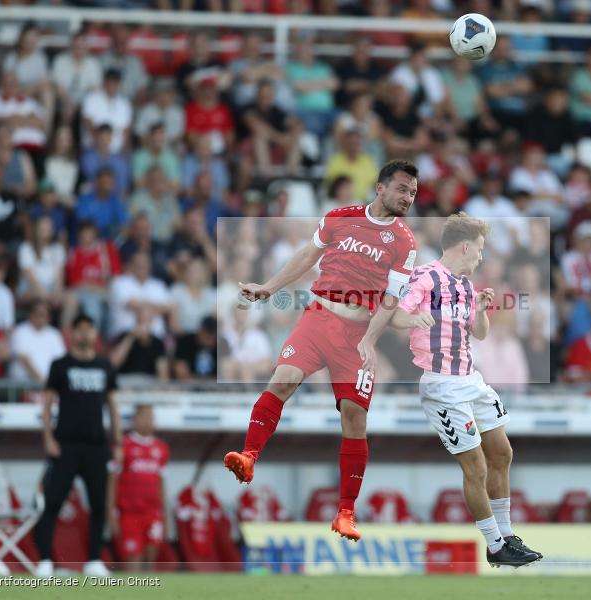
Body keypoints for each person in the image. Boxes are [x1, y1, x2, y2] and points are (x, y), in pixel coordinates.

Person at [223, 161, 419, 542]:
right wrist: (269, 286)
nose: (407, 197)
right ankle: (248, 457)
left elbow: (392, 300)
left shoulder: (405, 242)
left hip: (358, 330)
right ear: (380, 188)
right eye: (401, 189)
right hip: (318, 317)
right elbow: (306, 256)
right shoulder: (340, 217)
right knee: (283, 380)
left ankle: (346, 512)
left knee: (354, 419)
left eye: (412, 192)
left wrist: (369, 340)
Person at [386, 213, 543, 568]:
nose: (482, 258)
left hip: (471, 379)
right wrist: (414, 318)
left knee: (502, 453)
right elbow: (394, 315)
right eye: (480, 250)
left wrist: (484, 310)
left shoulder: (465, 287)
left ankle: (507, 534)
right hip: (442, 385)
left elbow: (480, 333)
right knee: (476, 468)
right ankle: (495, 545)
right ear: (465, 247)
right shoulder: (426, 277)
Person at [34, 314, 121, 578]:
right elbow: (47, 404)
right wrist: (48, 438)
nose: (84, 334)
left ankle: (94, 560)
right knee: (52, 503)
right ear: (72, 334)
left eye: (89, 329)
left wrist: (117, 441)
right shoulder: (60, 365)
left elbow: (114, 407)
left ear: (96, 334)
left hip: (96, 445)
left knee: (98, 504)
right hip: (65, 445)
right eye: (80, 330)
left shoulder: (105, 366)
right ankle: (45, 560)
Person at [107, 404, 169, 572]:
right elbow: (112, 482)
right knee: (133, 559)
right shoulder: (123, 447)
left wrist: (165, 515)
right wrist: (110, 513)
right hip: (129, 513)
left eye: (151, 417)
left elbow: (162, 484)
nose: (149, 421)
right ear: (135, 419)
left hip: (153, 512)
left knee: (151, 558)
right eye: (145, 416)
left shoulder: (161, 448)